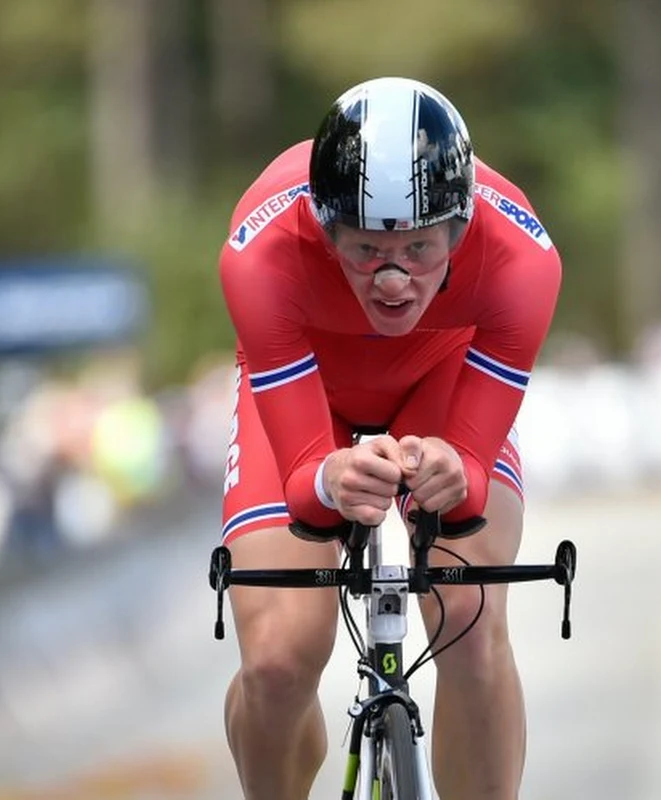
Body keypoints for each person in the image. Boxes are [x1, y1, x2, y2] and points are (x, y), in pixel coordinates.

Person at [217, 76, 562, 800]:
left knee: (466, 611)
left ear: (462, 228)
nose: (396, 280)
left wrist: (457, 468)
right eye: (368, 249)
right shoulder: (262, 252)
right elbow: (306, 491)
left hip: (445, 374)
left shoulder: (521, 261)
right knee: (279, 659)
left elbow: (469, 476)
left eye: (421, 248)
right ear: (323, 227)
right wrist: (325, 479)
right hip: (310, 386)